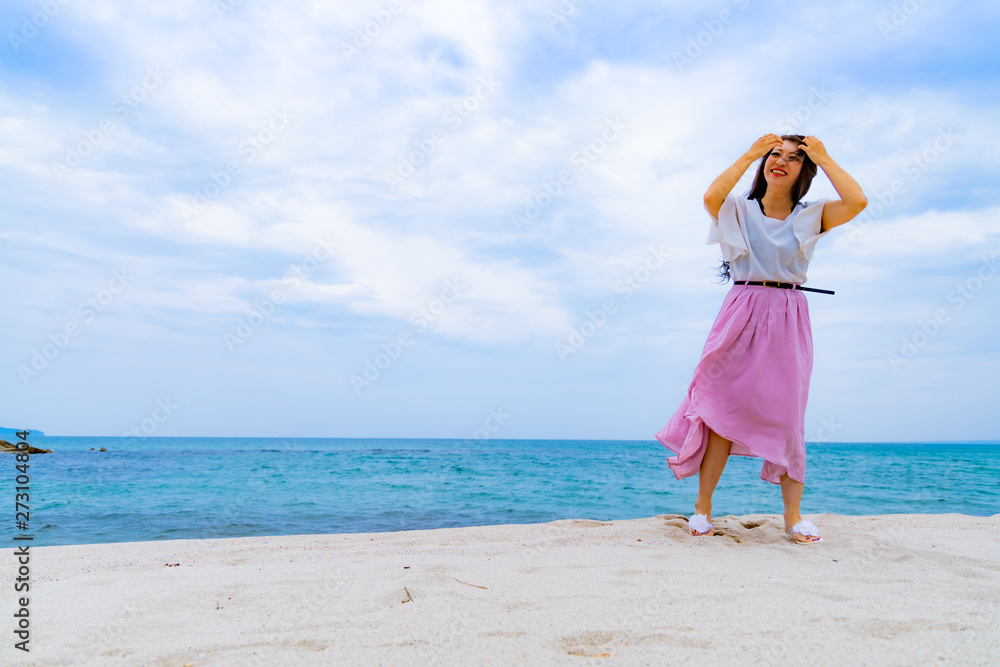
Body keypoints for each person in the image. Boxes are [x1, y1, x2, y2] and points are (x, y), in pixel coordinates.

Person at [655, 133, 867, 544]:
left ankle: (793, 518)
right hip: (741, 308)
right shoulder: (738, 210)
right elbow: (711, 195)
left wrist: (823, 157)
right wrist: (751, 151)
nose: (781, 162)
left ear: (804, 171)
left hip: (787, 313)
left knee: (787, 415)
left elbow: (857, 201)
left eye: (793, 159)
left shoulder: (812, 215)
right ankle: (702, 509)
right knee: (717, 410)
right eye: (775, 154)